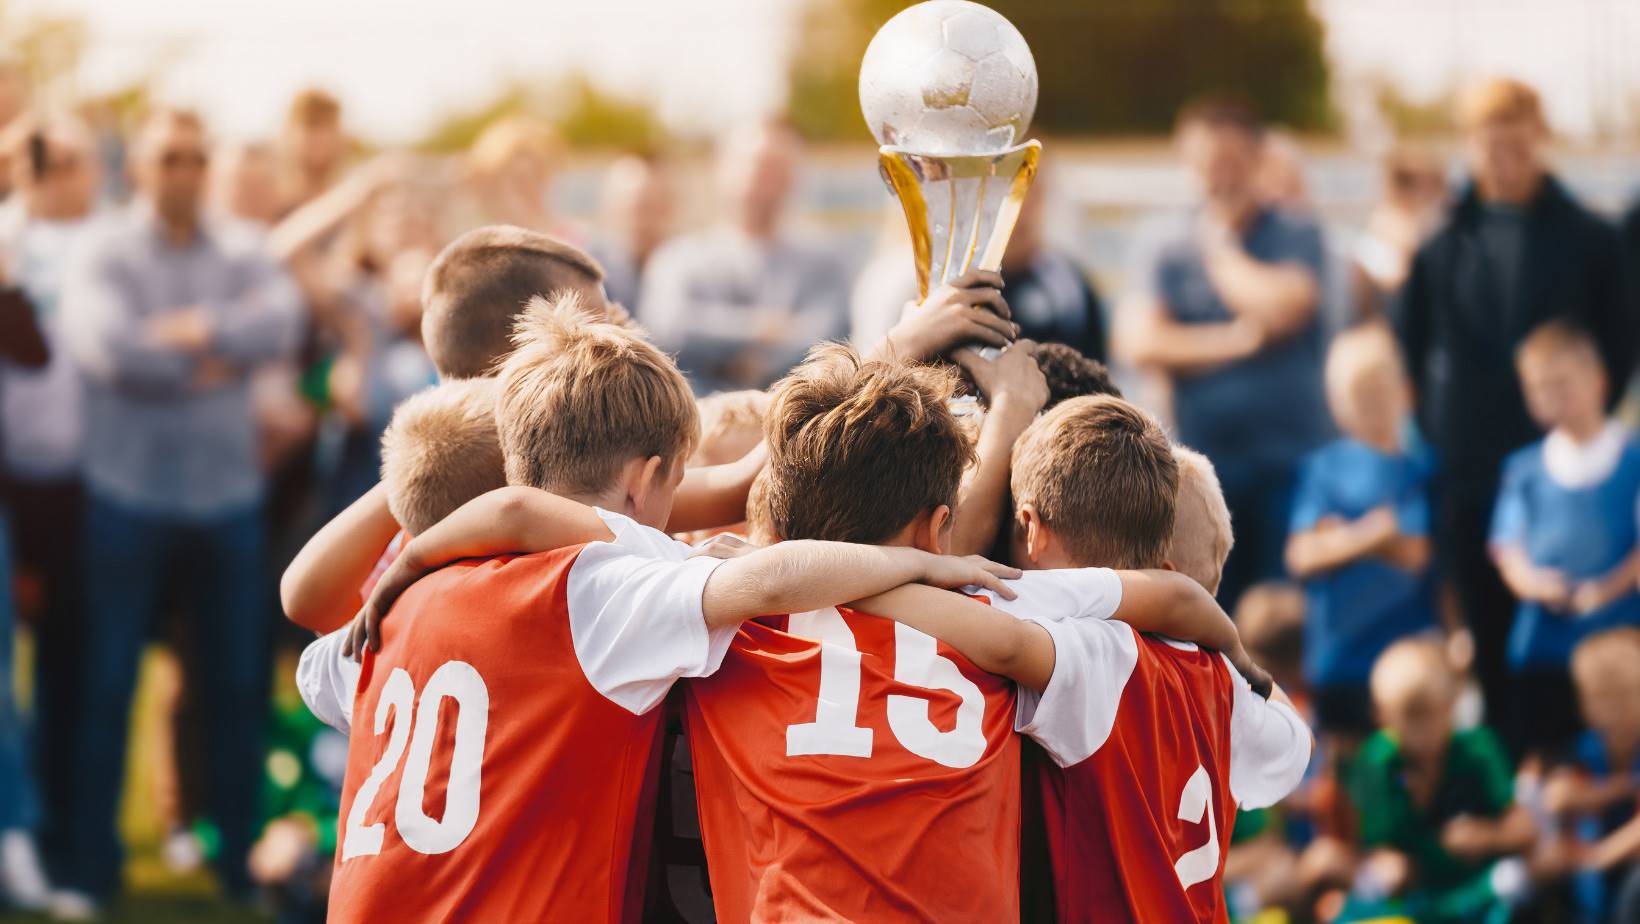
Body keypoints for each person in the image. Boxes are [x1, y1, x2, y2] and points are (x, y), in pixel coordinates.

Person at [350, 344, 1261, 923]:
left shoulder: (716, 614)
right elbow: (1173, 609)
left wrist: (411, 558)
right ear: (936, 532)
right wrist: (1237, 656)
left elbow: (505, 520)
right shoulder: (1011, 613)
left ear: (771, 528)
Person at [296, 294, 1023, 923]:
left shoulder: (402, 605)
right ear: (646, 482)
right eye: (678, 486)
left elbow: (315, 667)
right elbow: (770, 582)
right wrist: (925, 564)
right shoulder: (603, 587)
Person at [834, 395, 1309, 922]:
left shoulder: (1100, 649)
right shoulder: (1222, 679)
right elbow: (1296, 742)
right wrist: (1220, 641)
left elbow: (1006, 639)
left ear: (1031, 528)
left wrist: (845, 583)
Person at [56, 107, 302, 909]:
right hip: (126, 497)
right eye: (169, 159)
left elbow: (281, 325)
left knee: (234, 685)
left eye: (196, 159)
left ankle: (237, 863)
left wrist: (188, 336)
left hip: (226, 501)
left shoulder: (241, 248)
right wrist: (217, 354)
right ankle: (93, 866)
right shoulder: (105, 249)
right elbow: (108, 351)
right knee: (108, 683)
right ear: (140, 168)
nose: (184, 174)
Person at [1393, 77, 1635, 720]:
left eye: (1518, 147)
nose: (1505, 160)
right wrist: (1442, 433)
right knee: (1489, 629)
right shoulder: (1441, 241)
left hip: (1569, 479)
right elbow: (1412, 348)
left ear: (1541, 141)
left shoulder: (1593, 238)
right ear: (1471, 146)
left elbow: (1619, 343)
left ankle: (1589, 775)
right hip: (1470, 472)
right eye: (1491, 147)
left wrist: (1580, 438)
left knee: (1585, 630)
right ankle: (1507, 779)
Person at [1116, 96, 1331, 608]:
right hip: (1202, 473)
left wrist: (1222, 251)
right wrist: (1237, 340)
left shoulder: (1298, 231)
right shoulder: (1162, 243)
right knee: (1209, 616)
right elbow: (1141, 341)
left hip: (1292, 467)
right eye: (1209, 164)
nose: (1222, 178)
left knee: (1285, 622)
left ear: (1259, 161)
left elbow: (1287, 306)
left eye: (1234, 163)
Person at [0, 112, 101, 897]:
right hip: (12, 482)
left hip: (85, 488)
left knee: (72, 672)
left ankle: (58, 831)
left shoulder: (109, 243)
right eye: (46, 160)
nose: (62, 174)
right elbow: (25, 350)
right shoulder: (9, 235)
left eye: (73, 160)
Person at [1489, 319, 1640, 760]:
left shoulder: (1632, 457)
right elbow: (1507, 550)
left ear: (1598, 381)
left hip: (1619, 642)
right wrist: (1537, 586)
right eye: (1539, 388)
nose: (1552, 397)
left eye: (1562, 384)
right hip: (1544, 646)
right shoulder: (1522, 469)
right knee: (1548, 752)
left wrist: (1602, 592)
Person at [1285, 323, 1437, 740]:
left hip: (1404, 657)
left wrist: (1341, 537)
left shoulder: (1421, 470)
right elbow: (1303, 554)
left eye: (1380, 389)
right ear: (1337, 403)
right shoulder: (1324, 470)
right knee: (1346, 770)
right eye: (1358, 393)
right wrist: (1375, 533)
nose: (1371, 403)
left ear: (1406, 392)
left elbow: (1417, 553)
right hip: (1338, 658)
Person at [639, 120, 849, 394]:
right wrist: (761, 329)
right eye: (754, 165)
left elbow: (826, 337)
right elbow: (667, 326)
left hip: (791, 421)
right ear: (721, 168)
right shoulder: (677, 258)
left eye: (776, 167)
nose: (763, 179)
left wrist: (761, 361)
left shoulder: (826, 261)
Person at [1337, 639, 1532, 924]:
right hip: (1415, 893)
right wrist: (1387, 862)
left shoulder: (1479, 749)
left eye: (1431, 714)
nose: (1423, 733)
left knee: (1521, 874)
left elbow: (1524, 828)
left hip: (1478, 882)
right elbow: (1376, 843)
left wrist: (1487, 836)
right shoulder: (1377, 762)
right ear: (1382, 716)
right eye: (1410, 719)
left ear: (1453, 704)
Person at [1536, 628, 1640, 922]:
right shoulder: (1585, 748)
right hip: (1591, 873)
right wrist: (1620, 788)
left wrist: (1600, 856)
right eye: (1597, 697)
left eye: (1622, 696)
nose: (1610, 710)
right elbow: (1558, 797)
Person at [589, 153, 676, 311]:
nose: (637, 221)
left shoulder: (680, 266)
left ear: (667, 209)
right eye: (626, 209)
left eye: (647, 207)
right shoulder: (590, 272)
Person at [461, 115, 571, 238]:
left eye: (537, 178)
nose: (528, 191)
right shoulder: (476, 243)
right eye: (519, 182)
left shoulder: (576, 241)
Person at [277, 89, 349, 216]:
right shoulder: (274, 200)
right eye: (312, 126)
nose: (322, 137)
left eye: (328, 126)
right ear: (291, 132)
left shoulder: (348, 198)